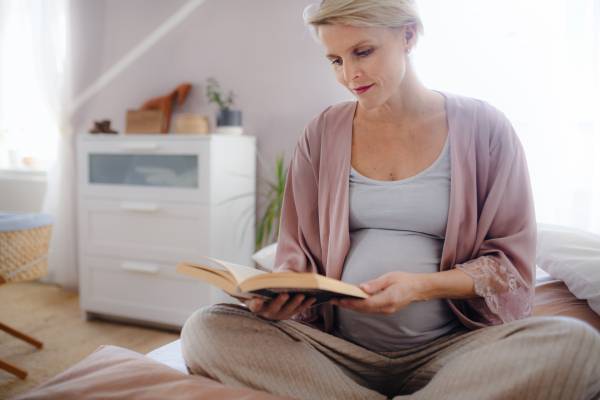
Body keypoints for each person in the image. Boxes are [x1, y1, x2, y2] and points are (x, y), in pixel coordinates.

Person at [181, 1, 600, 399]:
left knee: (576, 344)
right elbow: (298, 253)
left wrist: (420, 288)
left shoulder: (486, 127)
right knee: (205, 329)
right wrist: (280, 297)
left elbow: (508, 265)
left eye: (363, 51)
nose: (349, 74)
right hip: (337, 352)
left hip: (452, 353)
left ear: (409, 35)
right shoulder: (321, 133)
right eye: (336, 60)